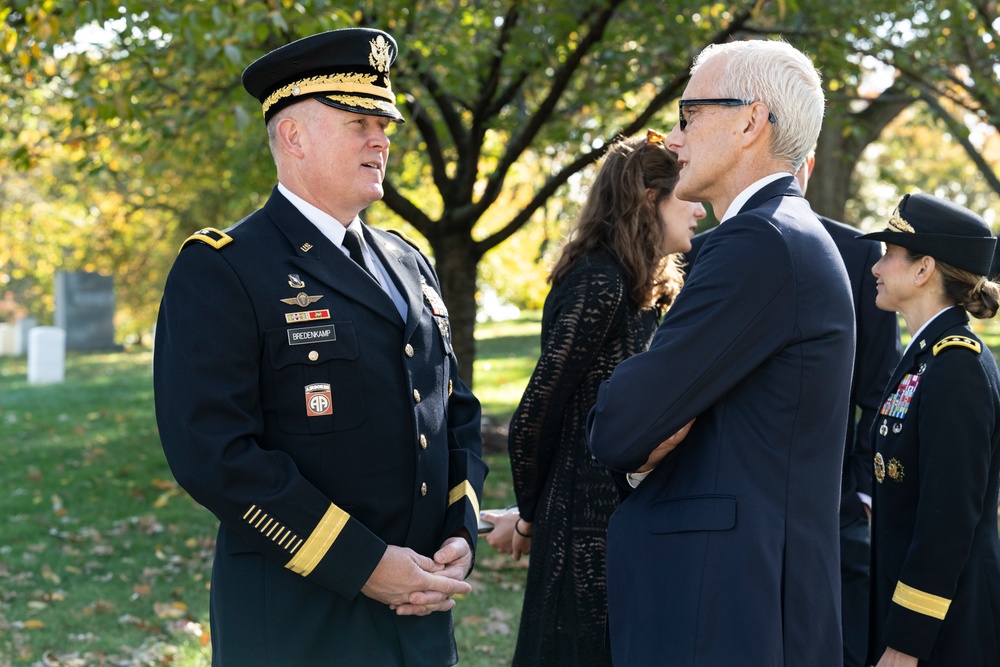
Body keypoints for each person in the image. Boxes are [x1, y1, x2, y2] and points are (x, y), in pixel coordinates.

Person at [152, 28, 488, 666]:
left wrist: (458, 531)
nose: (381, 138)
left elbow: (455, 411)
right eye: (359, 121)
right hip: (297, 615)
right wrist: (361, 564)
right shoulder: (225, 267)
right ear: (293, 136)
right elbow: (213, 453)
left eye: (384, 122)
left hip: (419, 609)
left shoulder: (406, 260)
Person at [586, 39, 855, 666]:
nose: (674, 140)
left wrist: (639, 439)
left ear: (749, 121)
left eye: (688, 115)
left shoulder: (757, 241)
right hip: (743, 602)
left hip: (729, 612)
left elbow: (620, 423)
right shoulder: (779, 235)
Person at [482, 131, 705, 666]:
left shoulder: (643, 287)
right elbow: (534, 416)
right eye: (686, 194)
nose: (700, 208)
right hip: (582, 532)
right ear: (650, 199)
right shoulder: (599, 282)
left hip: (624, 522)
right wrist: (533, 515)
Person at [689, 151, 902, 667]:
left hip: (834, 505)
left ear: (804, 163)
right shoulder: (700, 254)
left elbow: (877, 387)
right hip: (736, 509)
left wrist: (859, 492)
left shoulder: (858, 253)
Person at [860, 193, 1000, 667]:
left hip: (944, 632)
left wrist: (905, 643)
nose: (876, 268)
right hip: (912, 617)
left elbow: (948, 522)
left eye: (890, 254)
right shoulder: (925, 356)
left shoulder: (956, 365)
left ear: (924, 270)